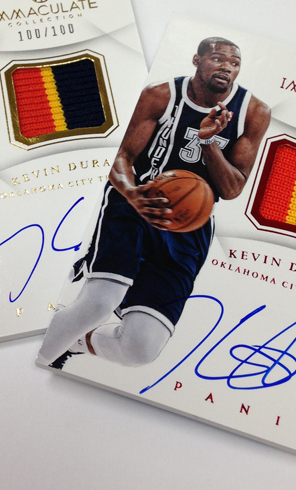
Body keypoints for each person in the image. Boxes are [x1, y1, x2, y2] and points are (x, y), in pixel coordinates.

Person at [37, 37, 271, 369]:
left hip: (190, 222)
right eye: (218, 59)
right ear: (197, 60)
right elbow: (122, 155)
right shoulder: (161, 95)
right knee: (99, 303)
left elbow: (232, 188)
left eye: (234, 63)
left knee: (140, 349)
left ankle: (72, 338)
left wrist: (208, 142)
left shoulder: (253, 112)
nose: (226, 67)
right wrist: (131, 192)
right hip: (138, 202)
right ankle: (37, 362)